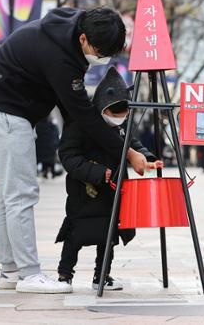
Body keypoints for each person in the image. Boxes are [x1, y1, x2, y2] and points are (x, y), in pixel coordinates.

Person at [0, 7, 150, 294]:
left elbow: (73, 110)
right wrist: (127, 152)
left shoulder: (74, 26)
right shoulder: (61, 57)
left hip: (2, 107)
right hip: (3, 111)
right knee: (21, 192)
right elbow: (80, 113)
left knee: (9, 194)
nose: (102, 58)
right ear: (83, 39)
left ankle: (10, 270)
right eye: (100, 51)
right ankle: (29, 274)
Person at [56, 67, 160, 290]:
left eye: (124, 114)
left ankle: (101, 276)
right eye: (114, 114)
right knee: (75, 235)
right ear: (101, 108)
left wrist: (148, 159)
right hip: (84, 192)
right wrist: (94, 172)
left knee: (108, 235)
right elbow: (68, 155)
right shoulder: (79, 124)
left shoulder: (123, 126)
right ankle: (65, 274)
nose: (119, 119)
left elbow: (134, 145)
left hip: (113, 192)